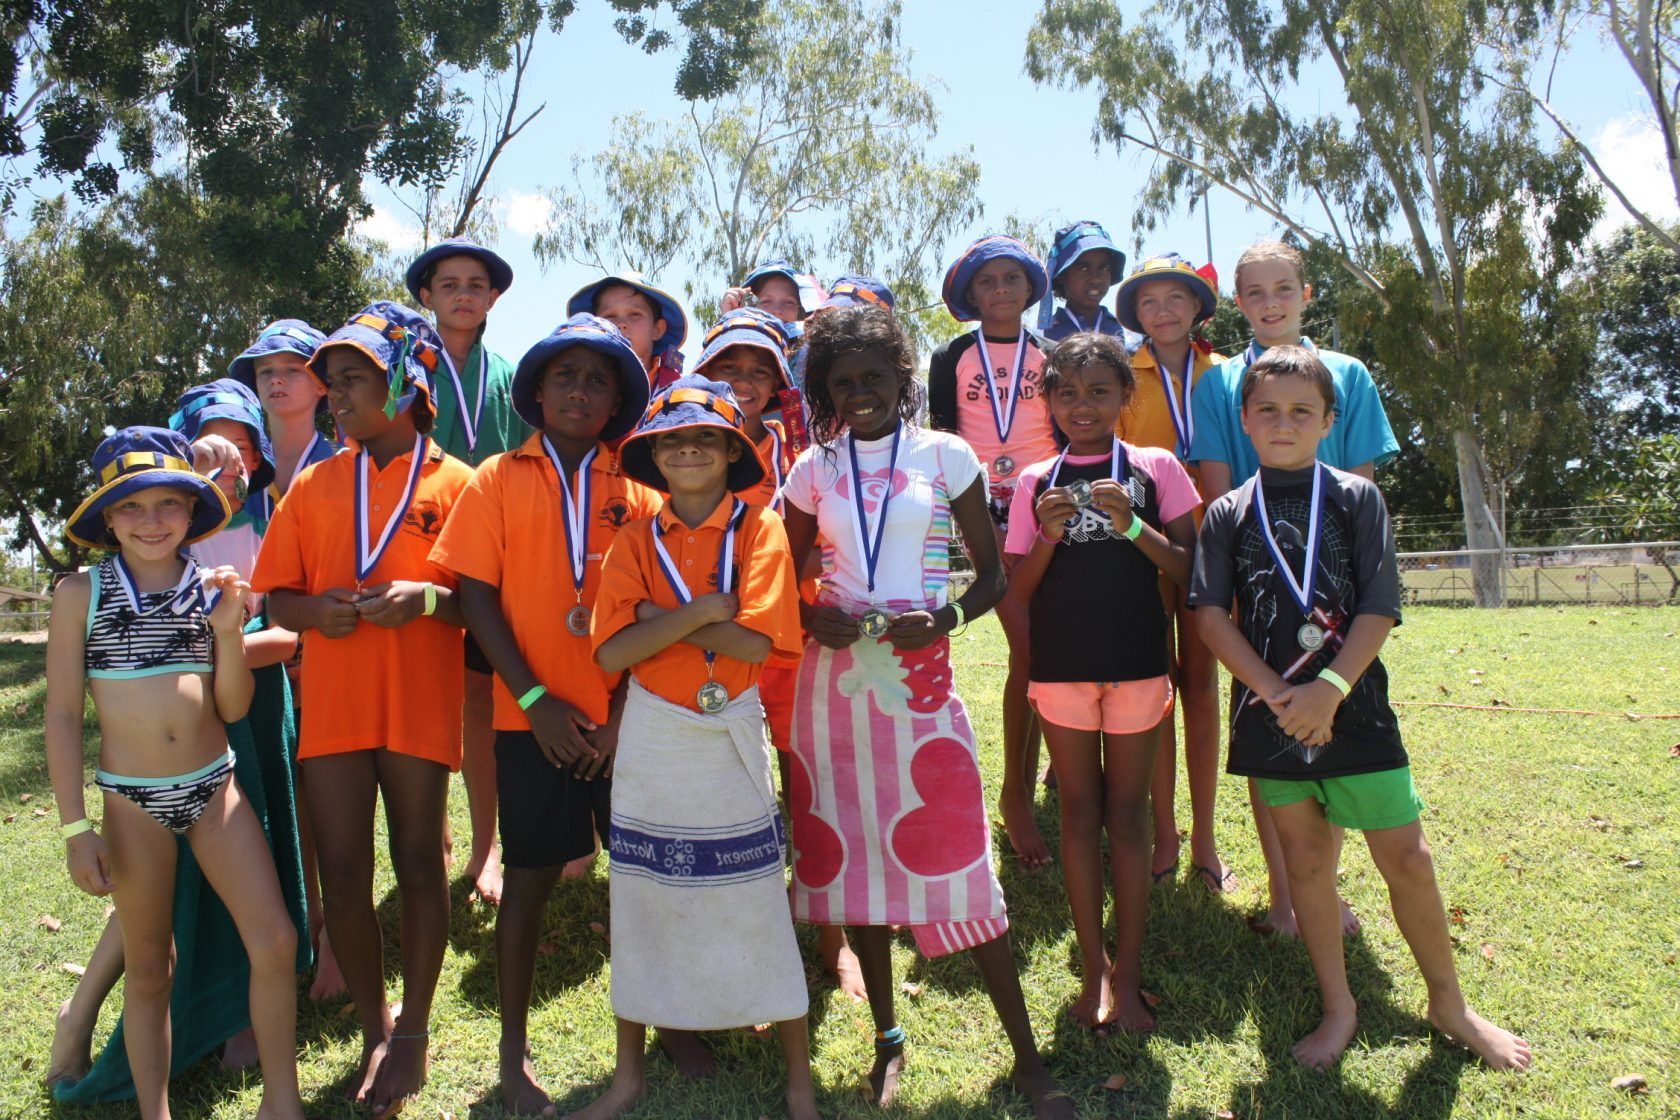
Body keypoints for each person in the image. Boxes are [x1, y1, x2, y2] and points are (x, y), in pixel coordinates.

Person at [1189, 345, 1532, 1072]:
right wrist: (1282, 694)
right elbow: (1211, 616)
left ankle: (1451, 1005)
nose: (1284, 423)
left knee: (1407, 856)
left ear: (1328, 421)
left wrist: (1331, 688)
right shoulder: (1226, 511)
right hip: (1274, 718)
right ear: (1245, 420)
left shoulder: (1355, 497)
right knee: (1307, 864)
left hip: (1357, 708)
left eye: (1301, 411)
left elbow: (1380, 604)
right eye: (1268, 410)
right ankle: (1339, 1007)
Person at [782, 304, 1073, 1119]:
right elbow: (777, 578)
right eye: (844, 383)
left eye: (874, 378)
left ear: (902, 379)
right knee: (856, 863)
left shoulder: (945, 455)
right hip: (834, 686)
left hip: (922, 683)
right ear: (826, 391)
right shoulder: (811, 470)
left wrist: (945, 618)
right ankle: (887, 1037)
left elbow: (993, 576)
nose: (860, 393)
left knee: (956, 857)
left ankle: (1025, 1057)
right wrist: (810, 615)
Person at [430, 313, 658, 1116]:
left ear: (616, 403)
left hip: (622, 723)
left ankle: (672, 1026)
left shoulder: (638, 490)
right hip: (532, 721)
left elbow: (655, 612)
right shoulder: (495, 477)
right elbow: (473, 594)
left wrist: (623, 709)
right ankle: (512, 1050)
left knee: (642, 881)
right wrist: (533, 699)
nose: (580, 390)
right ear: (536, 390)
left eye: (599, 380)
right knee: (526, 882)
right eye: (565, 374)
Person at [45, 427, 304, 1120]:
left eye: (168, 504)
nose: (152, 521)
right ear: (106, 520)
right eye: (131, 508)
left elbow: (231, 705)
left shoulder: (213, 590)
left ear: (193, 511)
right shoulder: (80, 594)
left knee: (276, 941)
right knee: (151, 967)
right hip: (131, 804)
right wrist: (76, 829)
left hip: (214, 788)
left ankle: (283, 1103)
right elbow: (65, 717)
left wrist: (228, 633)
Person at [254, 303, 474, 1116]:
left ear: (408, 381)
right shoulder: (312, 483)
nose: (334, 395)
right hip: (336, 709)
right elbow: (276, 592)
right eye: (329, 382)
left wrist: (427, 599)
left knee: (419, 864)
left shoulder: (457, 482)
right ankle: (375, 1023)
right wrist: (314, 615)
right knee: (343, 874)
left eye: (352, 379)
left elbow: (479, 608)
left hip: (417, 703)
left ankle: (413, 1032)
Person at [580, 375, 816, 1120]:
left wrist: (664, 616)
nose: (687, 448)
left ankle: (800, 1086)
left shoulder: (760, 529)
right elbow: (611, 657)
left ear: (729, 452)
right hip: (654, 731)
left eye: (704, 438)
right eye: (671, 439)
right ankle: (628, 1077)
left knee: (755, 900)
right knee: (642, 897)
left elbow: (759, 640)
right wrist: (705, 610)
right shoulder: (632, 538)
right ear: (653, 455)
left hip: (731, 724)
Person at [1189, 239, 1400, 936]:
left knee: (1332, 719)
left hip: (1340, 592)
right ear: (1238, 303)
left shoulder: (1350, 374)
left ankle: (1322, 889)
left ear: (1307, 296)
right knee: (1272, 730)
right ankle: (1287, 893)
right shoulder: (1217, 384)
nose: (1270, 303)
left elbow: (1363, 483)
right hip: (1261, 585)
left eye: (1284, 289)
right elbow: (1219, 487)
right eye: (1254, 292)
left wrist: (1356, 584)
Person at [1005, 333, 1199, 1034]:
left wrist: (1132, 524)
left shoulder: (1155, 467)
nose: (1081, 405)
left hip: (1140, 666)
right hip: (1061, 672)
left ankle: (1132, 970)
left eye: (1098, 391)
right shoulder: (1035, 482)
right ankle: (1092, 972)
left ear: (1126, 396)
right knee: (1079, 817)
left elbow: (1187, 569)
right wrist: (1050, 536)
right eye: (1066, 392)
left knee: (1131, 817)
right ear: (1048, 399)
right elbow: (1019, 591)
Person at [691, 306, 867, 1001]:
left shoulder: (802, 458)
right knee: (725, 792)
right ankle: (738, 934)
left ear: (778, 384)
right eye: (727, 368)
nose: (742, 381)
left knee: (810, 784)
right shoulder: (683, 442)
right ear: (703, 374)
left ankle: (832, 935)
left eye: (758, 370)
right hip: (711, 648)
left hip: (791, 638)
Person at [408, 236, 531, 906]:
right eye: (448, 283)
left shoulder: (512, 377)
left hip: (493, 565)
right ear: (426, 297)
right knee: (427, 705)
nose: (462, 294)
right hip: (416, 556)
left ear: (493, 297)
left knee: (482, 705)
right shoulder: (406, 373)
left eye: (475, 284)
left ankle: (487, 847)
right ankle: (438, 832)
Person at [928, 234, 1057, 869]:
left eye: (1012, 278)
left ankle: (1061, 767)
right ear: (969, 295)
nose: (1001, 290)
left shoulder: (1053, 354)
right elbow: (943, 443)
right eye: (987, 281)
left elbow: (1066, 433)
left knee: (1054, 646)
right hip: (985, 517)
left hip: (1049, 508)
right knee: (1030, 650)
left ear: (1032, 288)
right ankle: (1014, 795)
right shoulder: (951, 355)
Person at [228, 317, 347, 999]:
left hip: (327, 657)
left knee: (329, 804)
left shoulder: (341, 464)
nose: (276, 379)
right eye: (264, 369)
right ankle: (300, 931)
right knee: (281, 801)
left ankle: (333, 945)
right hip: (256, 666)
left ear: (321, 383)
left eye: (292, 368)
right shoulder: (236, 470)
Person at [1111, 254, 1235, 892]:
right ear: (1134, 313)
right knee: (1158, 690)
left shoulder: (1226, 374)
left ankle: (1206, 839)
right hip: (1154, 546)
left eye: (1175, 299)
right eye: (1149, 301)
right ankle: (1166, 833)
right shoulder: (1125, 376)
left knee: (1203, 688)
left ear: (1197, 308)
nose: (1162, 312)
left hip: (1219, 540)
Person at [567, 271, 689, 393]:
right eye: (610, 316)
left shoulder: (680, 395)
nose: (621, 324)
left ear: (657, 329)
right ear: (594, 328)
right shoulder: (574, 390)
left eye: (635, 314)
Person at [1038, 219, 1128, 342]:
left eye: (1104, 268)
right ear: (1061, 276)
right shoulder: (1042, 338)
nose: (1096, 279)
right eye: (1084, 269)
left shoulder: (1128, 336)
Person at [720, 258, 826, 327]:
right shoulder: (738, 347)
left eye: (789, 303)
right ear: (749, 309)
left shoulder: (808, 355)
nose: (777, 311)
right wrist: (730, 320)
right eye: (766, 302)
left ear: (799, 312)